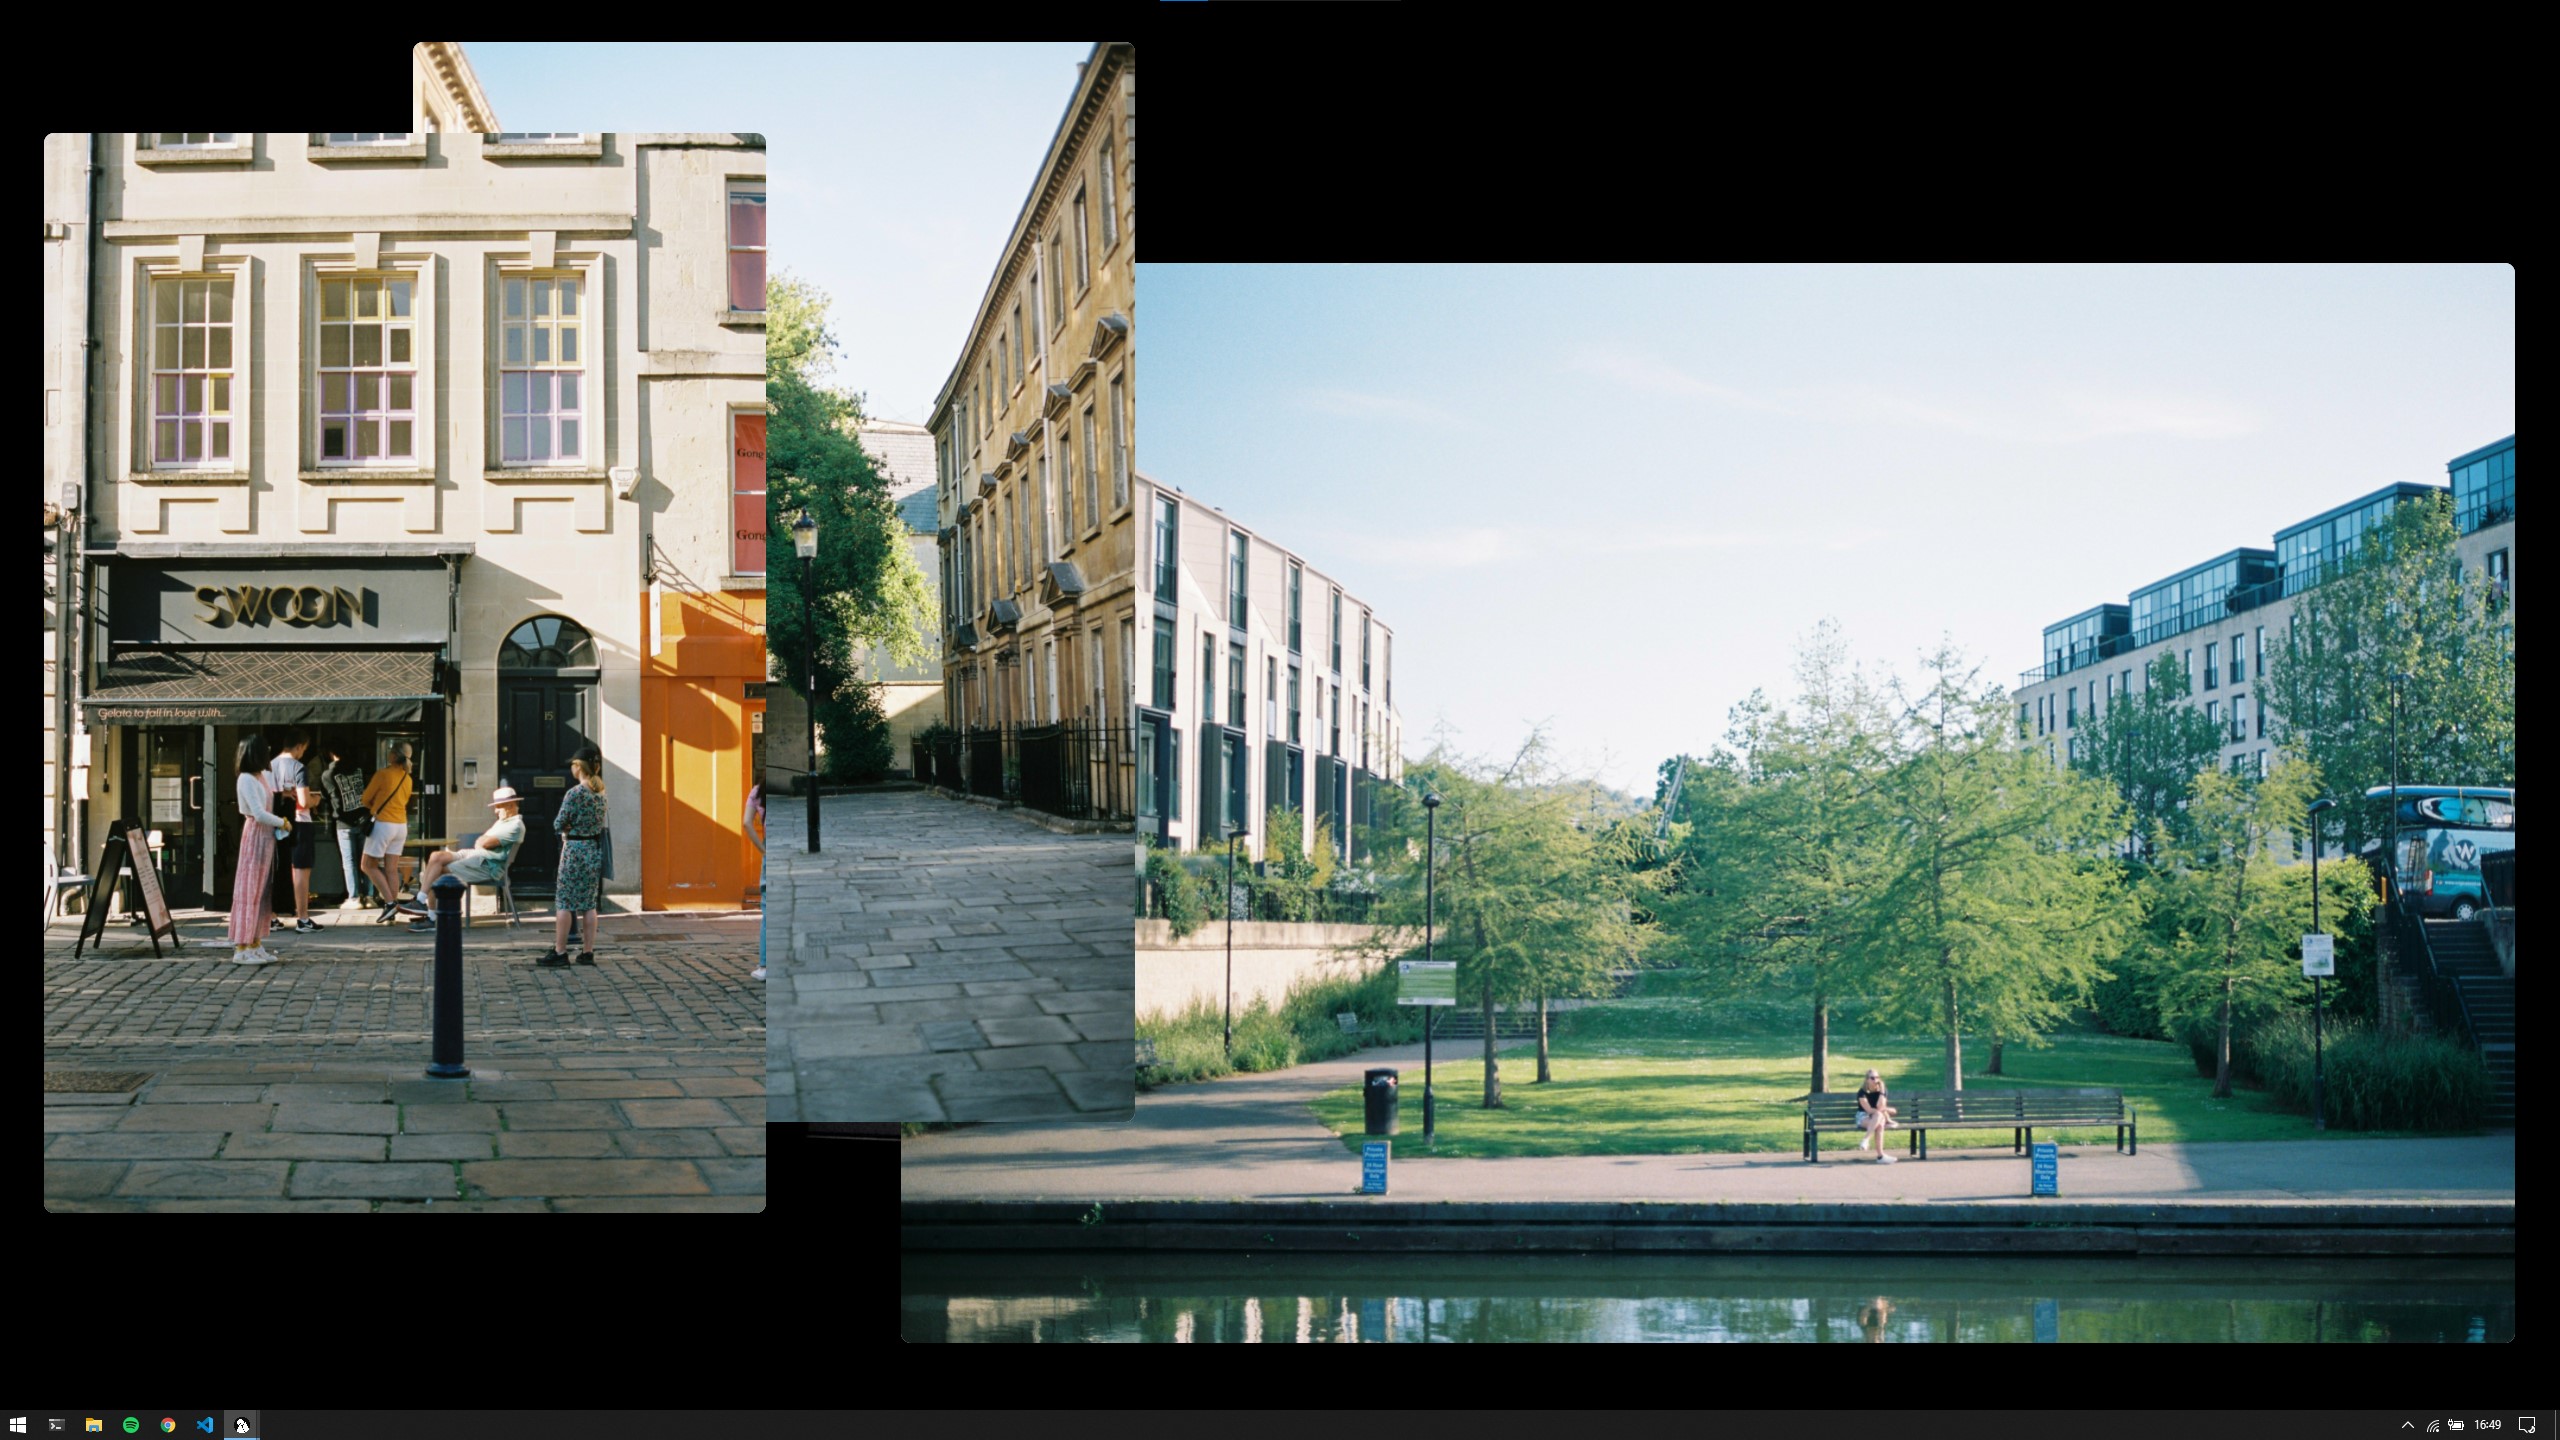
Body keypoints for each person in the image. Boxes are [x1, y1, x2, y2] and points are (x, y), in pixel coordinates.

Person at [402, 786, 529, 930]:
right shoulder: (503, 822)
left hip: (486, 865)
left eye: (498, 807)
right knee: (436, 856)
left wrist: (483, 841)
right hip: (476, 856)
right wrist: (482, 842)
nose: (495, 811)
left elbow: (484, 842)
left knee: (436, 873)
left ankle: (432, 919)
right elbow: (480, 843)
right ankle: (420, 900)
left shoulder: (515, 825)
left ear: (510, 805)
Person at [228, 734, 292, 965]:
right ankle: (242, 946)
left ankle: (255, 941)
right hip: (256, 835)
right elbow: (258, 813)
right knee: (249, 891)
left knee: (260, 892)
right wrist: (282, 822)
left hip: (265, 838)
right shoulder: (246, 779)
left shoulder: (259, 776)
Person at [545, 743, 609, 967]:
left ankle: (560, 951)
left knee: (564, 902)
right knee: (589, 904)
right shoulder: (601, 793)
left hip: (574, 850)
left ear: (578, 767)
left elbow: (558, 823)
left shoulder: (574, 793)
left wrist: (568, 826)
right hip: (593, 850)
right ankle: (587, 952)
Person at [267, 728, 319, 932]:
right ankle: (303, 917)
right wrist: (316, 799)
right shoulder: (298, 767)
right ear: (299, 746)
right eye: (304, 749)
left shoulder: (268, 766)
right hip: (300, 822)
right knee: (300, 870)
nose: (303, 753)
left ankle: (272, 916)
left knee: (277, 870)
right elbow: (304, 801)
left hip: (276, 821)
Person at [358, 743, 416, 924]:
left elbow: (366, 798)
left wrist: (375, 804)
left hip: (384, 823)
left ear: (393, 756)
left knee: (367, 865)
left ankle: (390, 903)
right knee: (391, 869)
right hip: (401, 825)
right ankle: (392, 909)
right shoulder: (407, 778)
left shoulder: (383, 774)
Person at [318, 742, 372, 909]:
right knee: (367, 859)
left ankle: (354, 898)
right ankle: (369, 896)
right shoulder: (359, 769)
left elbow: (326, 797)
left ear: (331, 753)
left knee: (349, 862)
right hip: (363, 819)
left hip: (343, 822)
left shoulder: (328, 774)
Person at [745, 773, 768, 982]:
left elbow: (746, 823)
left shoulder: (758, 791)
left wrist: (762, 850)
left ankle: (765, 965)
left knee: (769, 911)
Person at [1856, 1068, 1899, 1162]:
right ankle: (1880, 1156)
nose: (1875, 1080)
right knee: (1879, 1118)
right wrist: (1881, 1112)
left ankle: (1866, 1141)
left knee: (1879, 1122)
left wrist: (1882, 1091)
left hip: (1877, 1116)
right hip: (1863, 1116)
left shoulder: (1882, 1091)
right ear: (1867, 1079)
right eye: (1872, 1078)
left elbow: (1881, 1106)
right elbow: (1869, 1110)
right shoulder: (1862, 1092)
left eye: (1877, 1077)